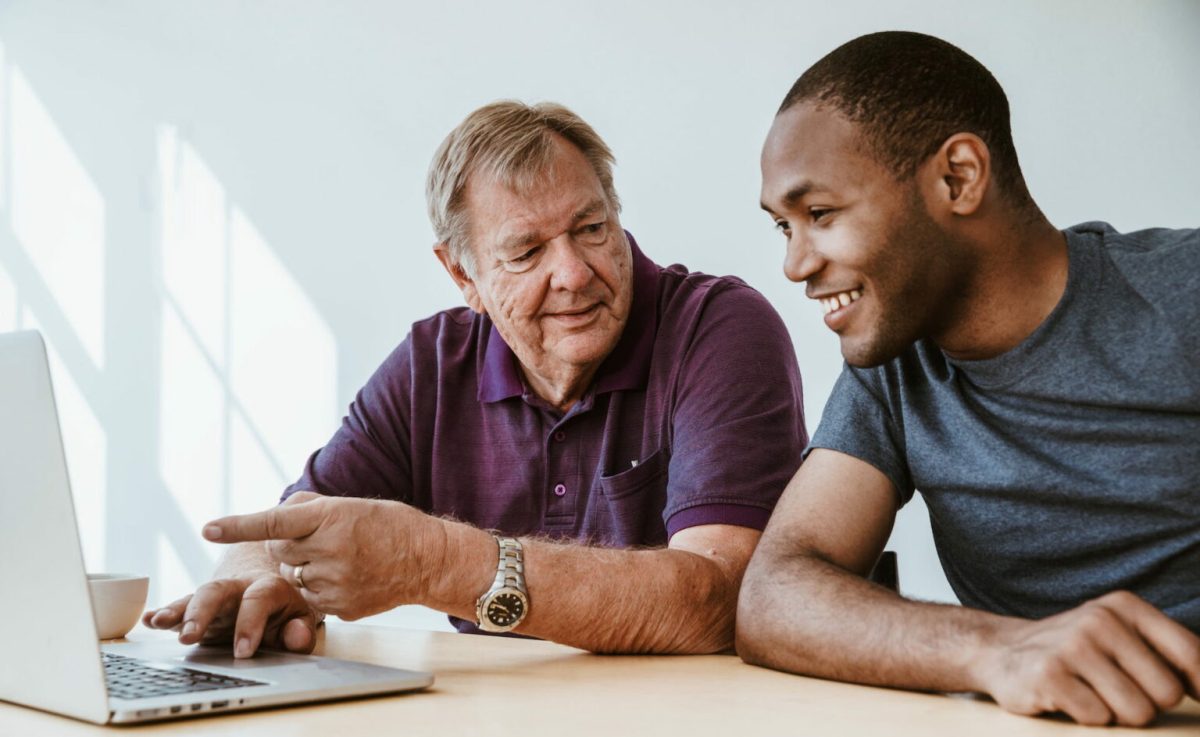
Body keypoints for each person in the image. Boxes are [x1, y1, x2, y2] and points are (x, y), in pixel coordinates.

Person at [144, 101, 807, 656]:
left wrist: (431, 561)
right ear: (463, 275)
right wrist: (255, 579)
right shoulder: (433, 362)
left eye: (592, 227)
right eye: (526, 251)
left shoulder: (718, 330)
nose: (575, 272)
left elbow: (723, 599)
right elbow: (291, 528)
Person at [737, 30, 1200, 728]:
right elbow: (773, 596)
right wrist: (998, 650)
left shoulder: (1182, 292)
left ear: (958, 177)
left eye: (820, 215)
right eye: (784, 227)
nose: (796, 264)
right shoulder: (892, 364)